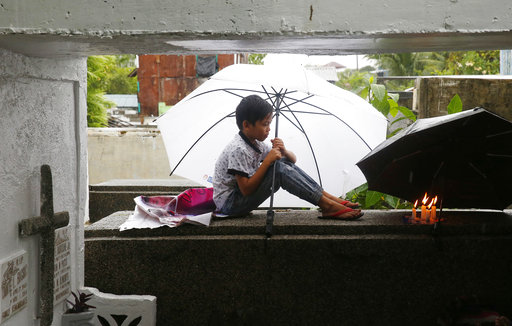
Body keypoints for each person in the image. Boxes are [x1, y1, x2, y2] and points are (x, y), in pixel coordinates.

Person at [212, 94, 363, 220]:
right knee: (277, 170)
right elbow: (246, 190)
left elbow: (291, 162)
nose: (269, 129)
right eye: (265, 124)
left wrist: (284, 151)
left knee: (282, 162)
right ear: (246, 125)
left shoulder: (255, 143)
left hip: (239, 200)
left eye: (270, 123)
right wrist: (268, 162)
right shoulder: (238, 149)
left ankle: (330, 199)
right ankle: (327, 206)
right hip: (230, 204)